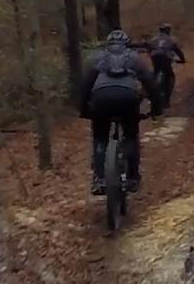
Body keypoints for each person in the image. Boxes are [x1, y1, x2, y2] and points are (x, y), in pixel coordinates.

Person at [79, 29, 163, 196]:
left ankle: (99, 179)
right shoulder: (134, 58)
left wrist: (84, 109)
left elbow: (85, 86)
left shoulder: (98, 57)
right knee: (130, 136)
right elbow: (150, 83)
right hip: (127, 97)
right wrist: (156, 108)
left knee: (100, 138)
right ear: (126, 44)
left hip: (101, 97)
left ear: (108, 44)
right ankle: (133, 178)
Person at [142, 23, 186, 110]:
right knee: (170, 76)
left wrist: (150, 53)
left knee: (155, 73)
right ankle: (167, 100)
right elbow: (178, 50)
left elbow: (148, 47)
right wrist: (182, 59)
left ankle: (152, 91)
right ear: (168, 31)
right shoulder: (171, 39)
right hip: (165, 58)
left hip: (155, 58)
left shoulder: (154, 39)